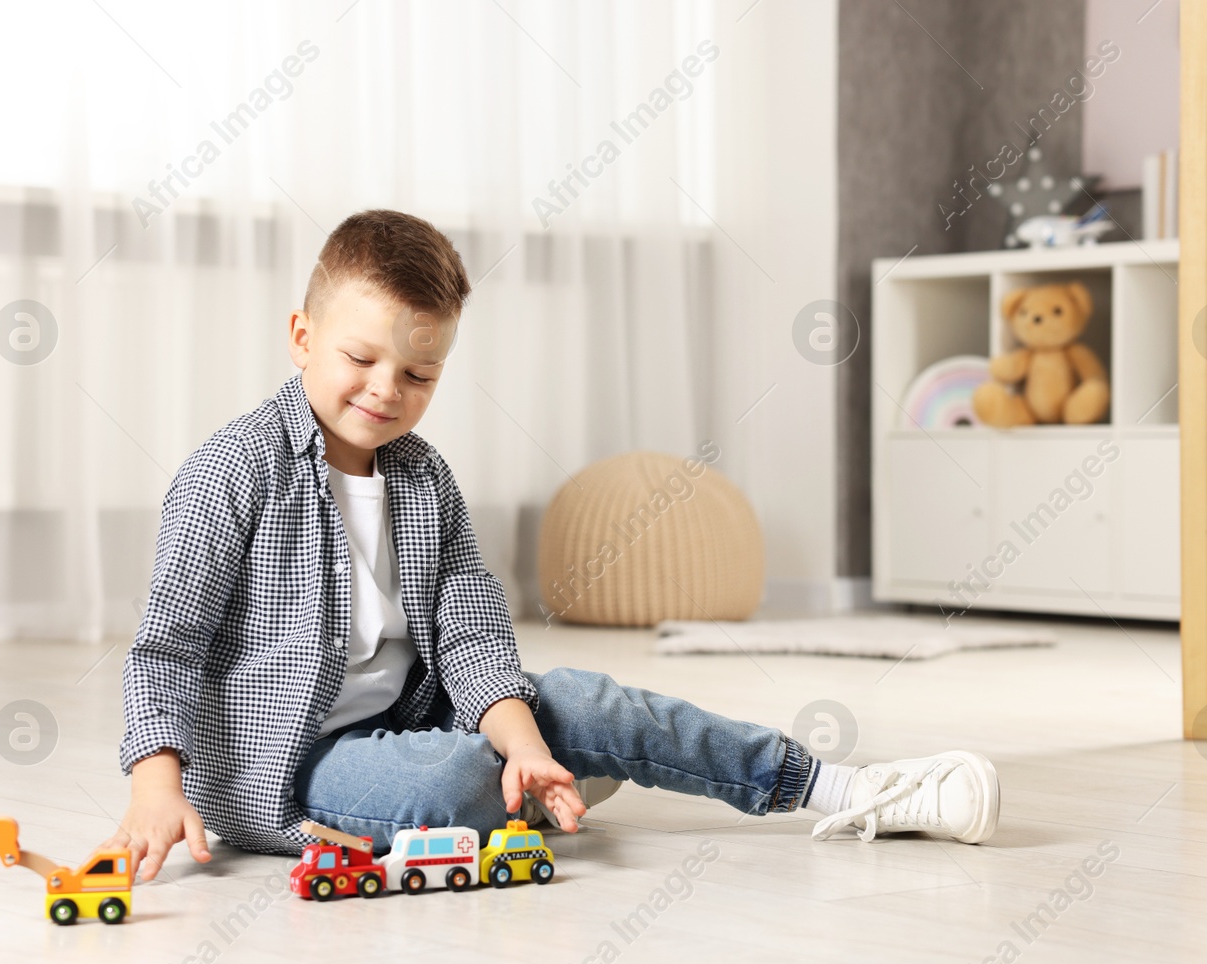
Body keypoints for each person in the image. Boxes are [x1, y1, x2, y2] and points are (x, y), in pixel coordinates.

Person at [104, 209, 1000, 880]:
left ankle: (840, 791)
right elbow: (167, 651)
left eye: (418, 374)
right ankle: (533, 778)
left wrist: (528, 736)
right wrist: (156, 787)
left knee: (586, 699)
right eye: (359, 359)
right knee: (457, 780)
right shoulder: (230, 474)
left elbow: (471, 635)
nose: (386, 391)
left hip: (415, 714)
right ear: (302, 339)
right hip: (289, 766)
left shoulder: (423, 477)